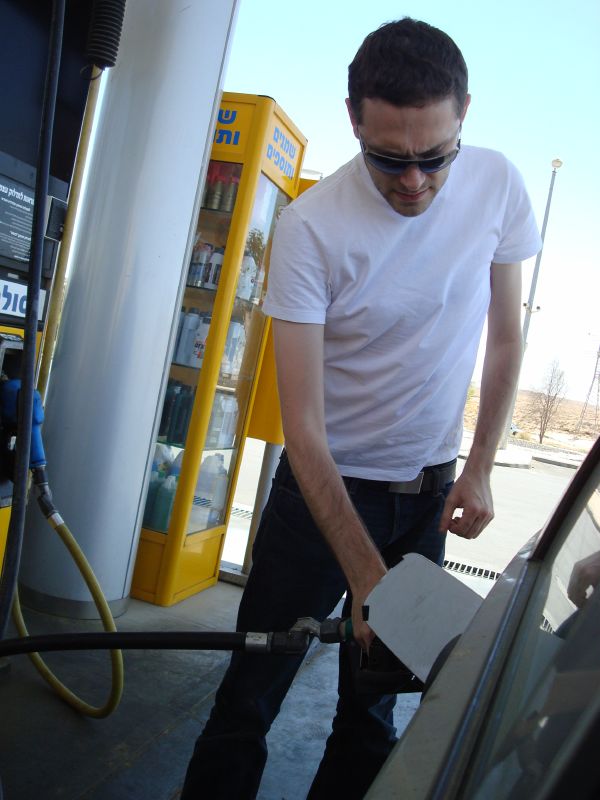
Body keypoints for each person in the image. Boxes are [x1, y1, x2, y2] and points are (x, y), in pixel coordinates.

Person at [181, 17, 541, 800]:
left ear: (465, 116)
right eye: (389, 160)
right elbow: (303, 428)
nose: (414, 182)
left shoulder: (499, 184)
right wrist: (367, 576)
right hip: (320, 498)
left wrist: (476, 471)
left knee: (373, 714)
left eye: (434, 159)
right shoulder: (311, 229)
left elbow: (507, 343)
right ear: (354, 121)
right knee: (249, 700)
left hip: (425, 501)